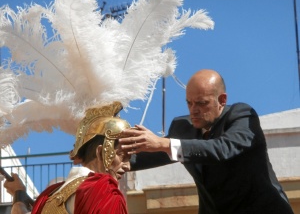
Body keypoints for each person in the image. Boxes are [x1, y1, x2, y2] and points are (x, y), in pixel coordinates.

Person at [120, 69, 295, 214]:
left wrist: (163, 143)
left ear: (222, 100)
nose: (193, 110)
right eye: (189, 103)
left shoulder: (242, 116)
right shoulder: (183, 128)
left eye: (201, 103)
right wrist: (117, 158)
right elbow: (149, 155)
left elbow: (222, 149)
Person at [4, 102, 131, 214]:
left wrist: (18, 194)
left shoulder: (48, 197)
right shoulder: (105, 193)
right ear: (100, 152)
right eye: (122, 156)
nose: (127, 166)